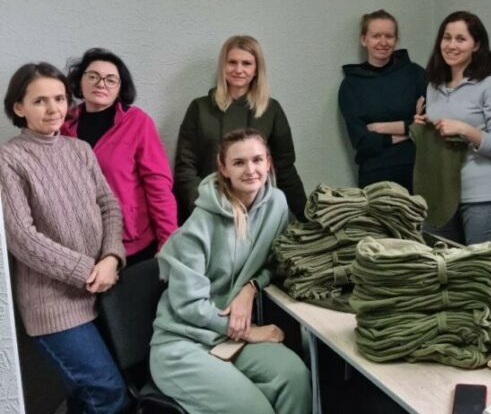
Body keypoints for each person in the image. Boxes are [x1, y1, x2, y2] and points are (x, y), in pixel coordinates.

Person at [150, 128, 311, 414]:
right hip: (183, 343)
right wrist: (250, 332)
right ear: (223, 168)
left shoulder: (276, 204)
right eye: (239, 162)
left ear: (268, 163)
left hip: (228, 338)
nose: (250, 170)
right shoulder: (198, 226)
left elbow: (277, 261)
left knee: (295, 377)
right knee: (256, 410)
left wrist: (251, 288)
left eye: (257, 160)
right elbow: (188, 306)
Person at [0, 62, 128, 412]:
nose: (53, 108)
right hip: (53, 303)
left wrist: (111, 258)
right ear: (19, 107)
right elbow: (22, 238)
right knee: (107, 392)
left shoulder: (80, 150)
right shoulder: (9, 159)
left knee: (88, 396)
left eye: (59, 98)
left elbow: (109, 206)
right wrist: (89, 270)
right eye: (40, 101)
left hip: (103, 292)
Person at [62, 48, 177, 265]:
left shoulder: (138, 122)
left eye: (110, 79)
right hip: (80, 244)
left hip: (132, 243)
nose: (101, 84)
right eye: (93, 76)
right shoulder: (64, 124)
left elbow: (158, 186)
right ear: (80, 80)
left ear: (120, 87)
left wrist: (169, 241)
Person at [174, 35, 307, 223]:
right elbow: (185, 167)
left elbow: (285, 169)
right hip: (208, 211)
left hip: (257, 214)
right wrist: (204, 206)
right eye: (232, 62)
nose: (238, 70)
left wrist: (306, 217)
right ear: (223, 66)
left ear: (256, 70)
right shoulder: (199, 108)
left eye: (246, 63)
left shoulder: (271, 110)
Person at [415, 11, 491, 244]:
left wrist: (466, 130)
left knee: (480, 266)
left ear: (476, 45)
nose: (451, 45)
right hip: (438, 197)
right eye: (447, 38)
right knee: (438, 263)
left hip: (480, 199)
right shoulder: (434, 86)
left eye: (461, 39)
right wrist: (424, 128)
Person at [339, 9, 426, 192]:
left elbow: (428, 127)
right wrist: (409, 129)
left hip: (418, 172)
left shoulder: (415, 75)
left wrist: (379, 127)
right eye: (376, 36)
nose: (383, 42)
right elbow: (362, 142)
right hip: (375, 177)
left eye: (389, 36)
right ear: (364, 40)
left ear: (396, 40)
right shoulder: (351, 85)